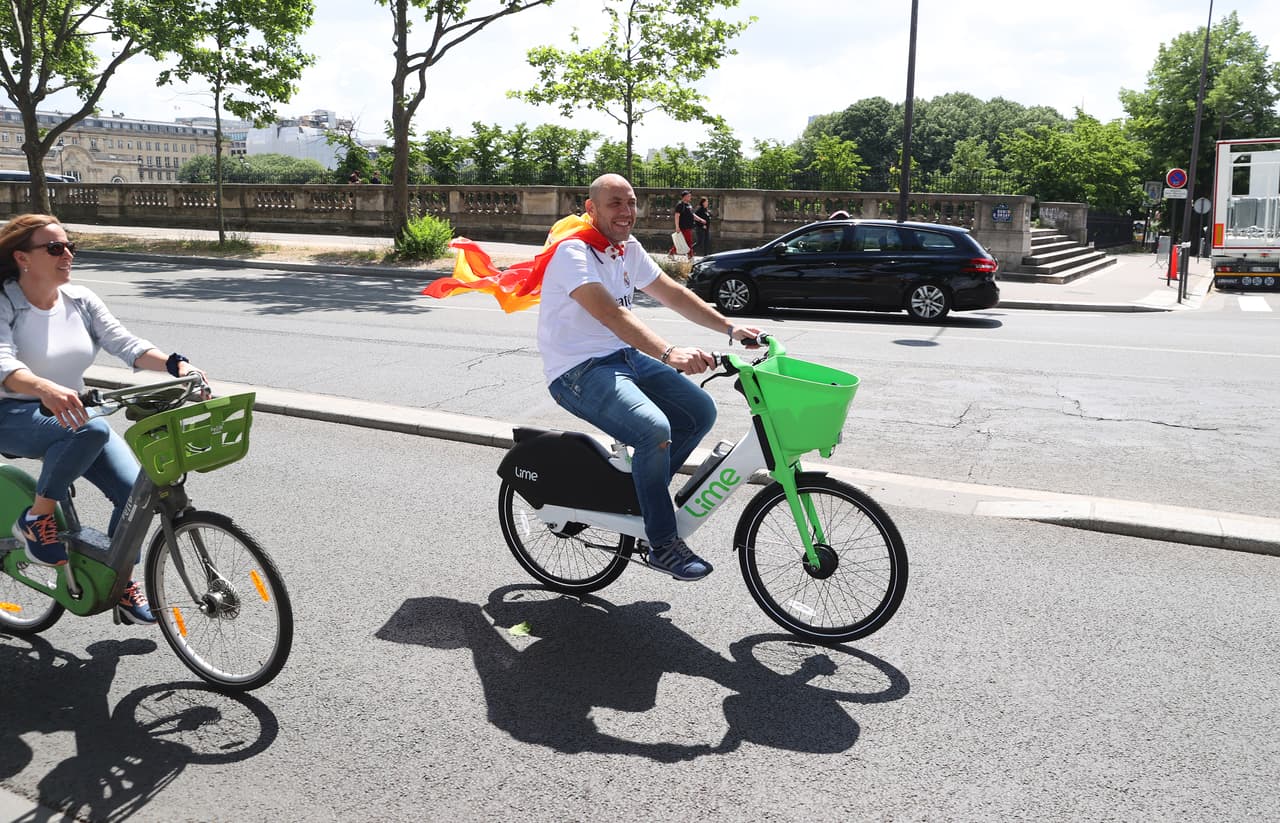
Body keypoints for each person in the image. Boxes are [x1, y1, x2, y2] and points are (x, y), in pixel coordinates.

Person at [540, 174, 762, 581]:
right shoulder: (574, 253)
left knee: (698, 411)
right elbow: (611, 313)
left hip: (621, 356)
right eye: (614, 204)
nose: (627, 212)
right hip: (577, 370)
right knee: (653, 429)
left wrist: (731, 329)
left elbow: (673, 294)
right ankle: (661, 543)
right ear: (591, 210)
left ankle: (641, 497)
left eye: (631, 202)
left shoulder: (626, 249)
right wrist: (669, 352)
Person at [0, 214, 207, 625]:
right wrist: (43, 387)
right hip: (13, 412)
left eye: (70, 245)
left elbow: (125, 344)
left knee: (138, 494)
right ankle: (36, 520)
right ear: (22, 257)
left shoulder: (80, 300)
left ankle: (120, 582)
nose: (68, 254)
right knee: (91, 427)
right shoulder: (6, 301)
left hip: (73, 413)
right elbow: (2, 361)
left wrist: (177, 366)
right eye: (55, 248)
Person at [668, 189, 705, 260]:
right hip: (683, 227)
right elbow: (677, 216)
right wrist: (677, 227)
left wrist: (700, 220)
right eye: (689, 196)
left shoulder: (689, 205)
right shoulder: (680, 205)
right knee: (688, 242)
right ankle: (690, 257)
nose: (690, 197)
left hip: (688, 227)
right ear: (684, 197)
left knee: (682, 242)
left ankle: (671, 253)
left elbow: (692, 215)